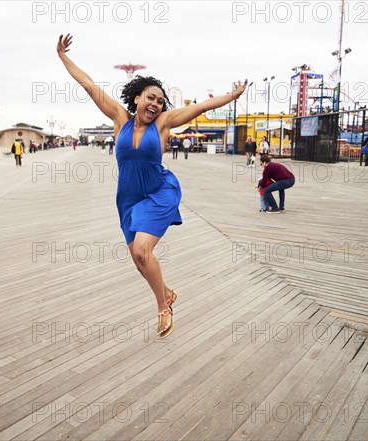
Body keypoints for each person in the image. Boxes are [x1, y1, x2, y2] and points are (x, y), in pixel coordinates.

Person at [57, 33, 247, 337]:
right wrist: (62, 55)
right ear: (136, 99)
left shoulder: (164, 123)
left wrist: (232, 96)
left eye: (160, 100)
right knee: (138, 260)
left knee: (144, 253)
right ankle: (167, 292)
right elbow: (89, 86)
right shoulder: (120, 118)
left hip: (158, 192)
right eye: (150, 97)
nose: (156, 103)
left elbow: (202, 108)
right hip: (128, 199)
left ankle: (163, 306)